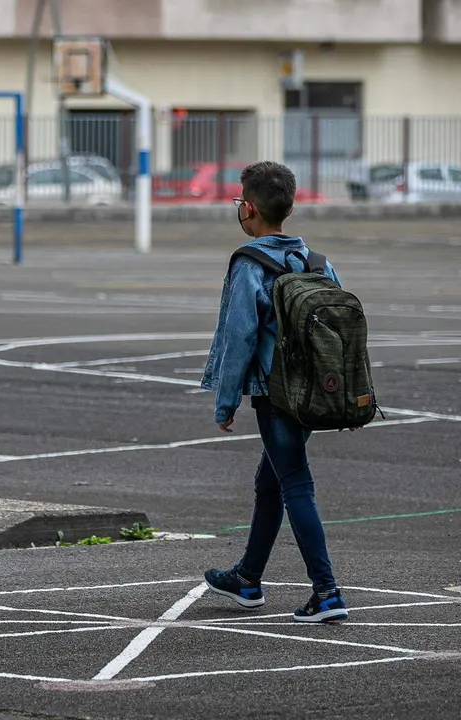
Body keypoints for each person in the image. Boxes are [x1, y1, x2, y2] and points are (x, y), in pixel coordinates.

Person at [199, 160, 348, 623]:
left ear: (249, 208)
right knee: (272, 482)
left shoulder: (249, 264)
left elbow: (238, 336)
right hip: (312, 395)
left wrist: (225, 402)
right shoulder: (316, 262)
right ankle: (248, 579)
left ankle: (326, 592)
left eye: (240, 199)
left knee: (295, 485)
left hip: (275, 395)